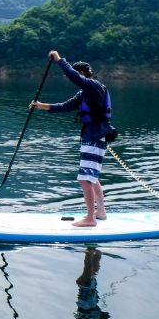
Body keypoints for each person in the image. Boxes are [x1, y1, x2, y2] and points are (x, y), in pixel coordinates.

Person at [30, 51, 114, 227]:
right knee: (92, 177)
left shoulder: (93, 86)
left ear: (83, 74)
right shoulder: (84, 93)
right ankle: (101, 212)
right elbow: (65, 106)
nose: (75, 81)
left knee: (84, 179)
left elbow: (73, 75)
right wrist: (40, 106)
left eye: (78, 76)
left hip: (95, 137)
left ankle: (90, 219)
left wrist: (59, 60)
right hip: (92, 137)